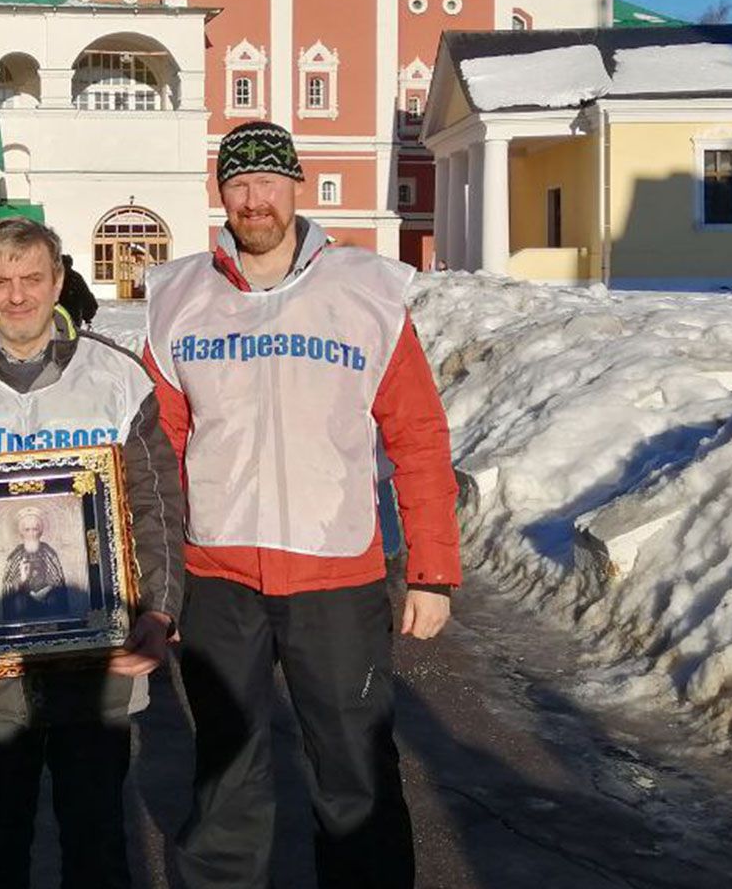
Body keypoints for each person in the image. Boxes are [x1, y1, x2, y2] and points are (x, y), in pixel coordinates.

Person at [143, 120, 460, 889]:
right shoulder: (180, 297)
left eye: (268, 183)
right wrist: (157, 583)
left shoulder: (366, 293)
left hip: (336, 576)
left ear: (296, 187)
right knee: (227, 767)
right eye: (238, 184)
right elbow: (157, 453)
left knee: (355, 768)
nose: (254, 200)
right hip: (217, 575)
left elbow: (418, 436)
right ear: (222, 194)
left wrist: (432, 572)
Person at [0, 216, 184, 889]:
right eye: (0, 282)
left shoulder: (116, 378)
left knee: (96, 834)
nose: (17, 296)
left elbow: (155, 503)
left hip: (96, 654)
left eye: (31, 279)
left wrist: (160, 609)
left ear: (57, 281)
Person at [0, 506, 73, 624]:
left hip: (47, 605)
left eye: (35, 529)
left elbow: (58, 582)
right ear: (21, 532)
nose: (31, 533)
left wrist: (44, 592)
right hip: (23, 606)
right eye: (27, 530)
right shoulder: (15, 556)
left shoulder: (49, 553)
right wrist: (22, 581)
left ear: (40, 531)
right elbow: (7, 587)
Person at [59, 253, 99, 328]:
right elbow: (88, 299)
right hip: (71, 321)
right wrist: (88, 317)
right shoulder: (75, 278)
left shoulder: (47, 277)